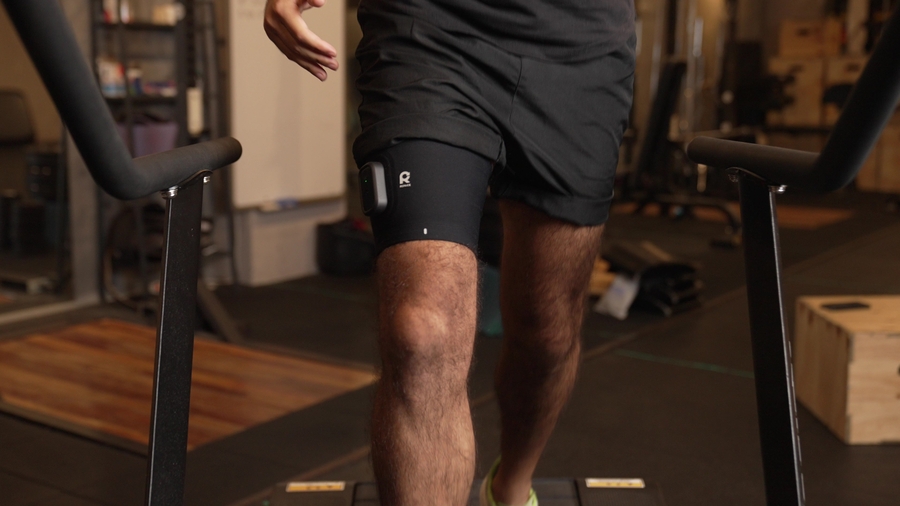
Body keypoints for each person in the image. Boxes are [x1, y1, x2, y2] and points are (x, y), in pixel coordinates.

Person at [264, 1, 635, 505]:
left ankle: (510, 489)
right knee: (423, 333)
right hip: (431, 29)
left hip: (580, 45)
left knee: (548, 334)